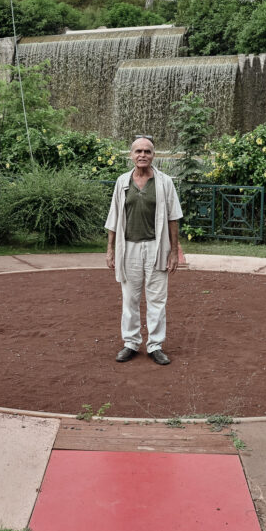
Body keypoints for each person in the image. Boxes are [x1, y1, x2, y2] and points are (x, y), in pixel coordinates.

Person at [105, 136, 182, 365]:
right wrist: (110, 249)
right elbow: (114, 217)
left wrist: (174, 251)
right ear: (131, 155)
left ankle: (155, 345)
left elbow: (173, 218)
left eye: (147, 151)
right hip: (128, 248)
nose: (142, 155)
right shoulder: (122, 181)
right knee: (130, 298)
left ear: (153, 155)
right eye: (138, 151)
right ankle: (130, 343)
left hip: (157, 247)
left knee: (157, 298)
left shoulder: (165, 182)